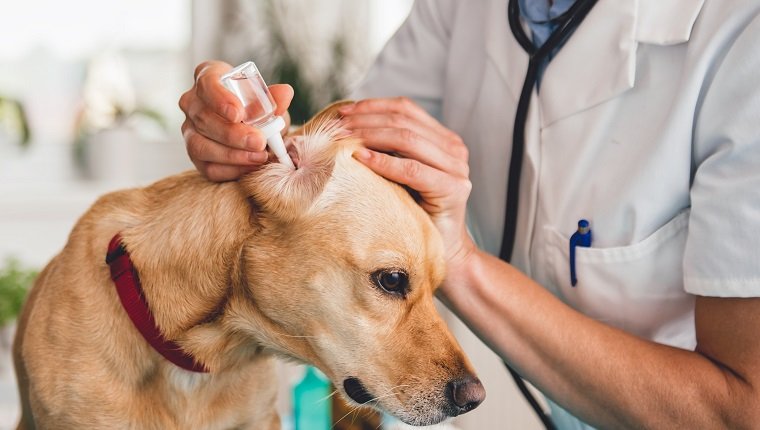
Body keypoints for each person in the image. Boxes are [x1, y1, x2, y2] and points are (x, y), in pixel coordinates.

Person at [178, 0, 760, 428]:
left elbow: (739, 410)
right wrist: (240, 135)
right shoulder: (457, 9)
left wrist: (458, 259)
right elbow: (340, 177)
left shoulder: (740, 38)